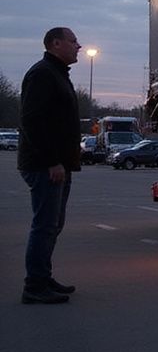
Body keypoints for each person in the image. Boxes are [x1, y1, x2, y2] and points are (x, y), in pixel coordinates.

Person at [18, 26, 83, 304]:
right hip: (46, 166)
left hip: (58, 165)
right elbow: (32, 121)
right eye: (73, 41)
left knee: (53, 224)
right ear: (56, 44)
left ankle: (43, 277)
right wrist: (52, 161)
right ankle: (34, 285)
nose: (78, 46)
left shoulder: (57, 74)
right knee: (44, 225)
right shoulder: (43, 74)